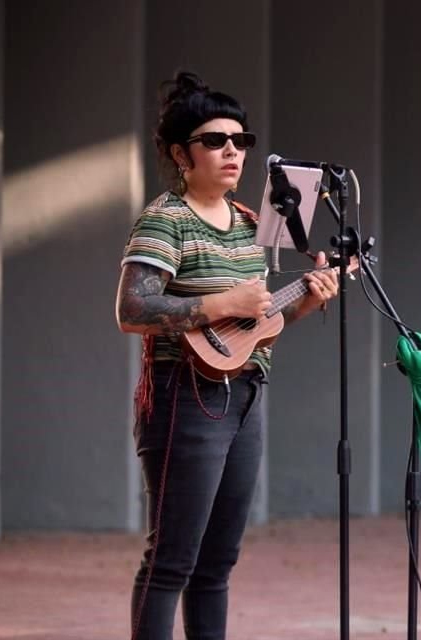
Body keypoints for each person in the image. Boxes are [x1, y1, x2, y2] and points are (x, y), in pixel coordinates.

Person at [115, 71, 338, 640]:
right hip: (183, 398)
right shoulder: (166, 218)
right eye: (215, 140)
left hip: (244, 398)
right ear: (179, 153)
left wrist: (304, 303)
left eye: (240, 141)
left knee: (216, 566)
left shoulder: (248, 226)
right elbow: (133, 309)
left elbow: (253, 325)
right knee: (171, 562)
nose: (232, 151)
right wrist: (218, 302)